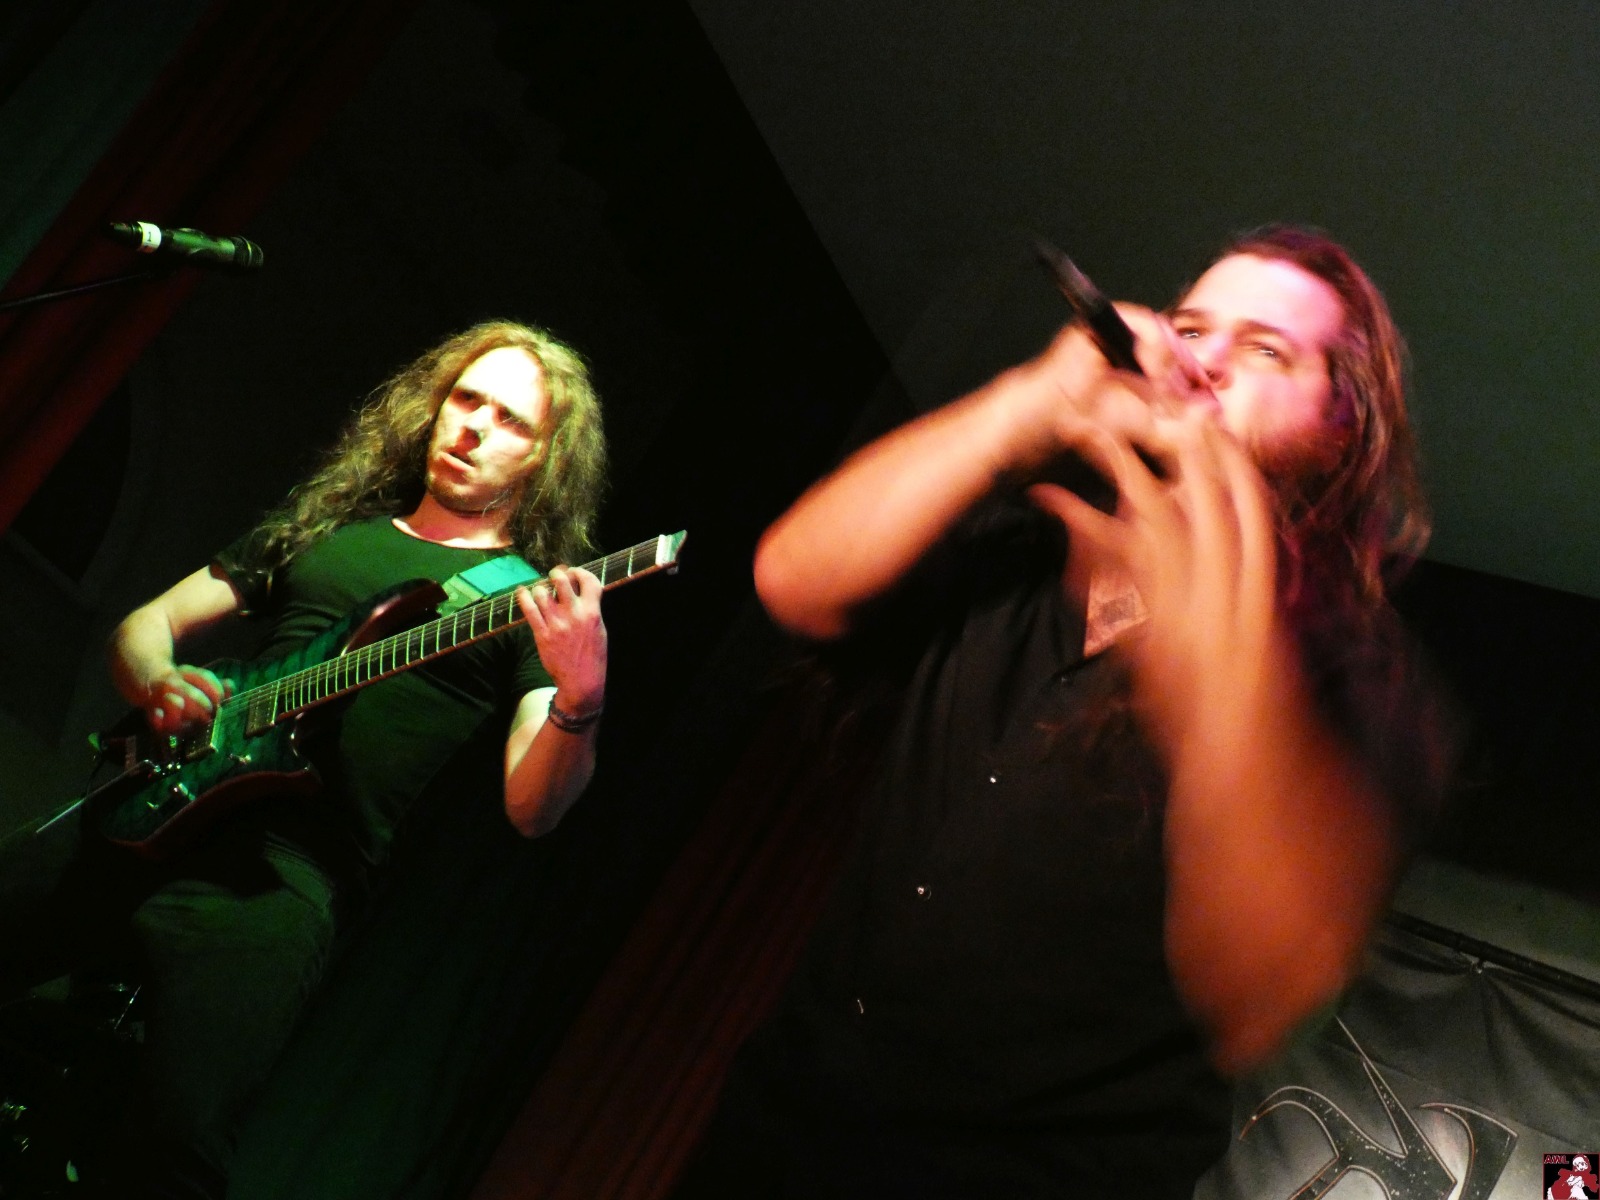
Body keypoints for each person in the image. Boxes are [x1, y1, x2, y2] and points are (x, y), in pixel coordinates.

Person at [678, 226, 1448, 1198]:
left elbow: (1264, 991)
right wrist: (1027, 405)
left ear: (1342, 427)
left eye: (1265, 350)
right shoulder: (1027, 549)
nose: (1203, 362)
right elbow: (794, 583)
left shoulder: (1359, 678)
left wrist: (1214, 678)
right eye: (1189, 328)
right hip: (776, 1131)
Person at [0, 320, 608, 1198]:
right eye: (466, 399)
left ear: (546, 457)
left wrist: (580, 699)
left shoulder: (526, 606)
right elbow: (146, 626)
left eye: (511, 420)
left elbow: (533, 807)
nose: (475, 426)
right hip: (158, 803)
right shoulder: (329, 531)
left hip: (284, 880)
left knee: (172, 1148)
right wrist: (161, 682)